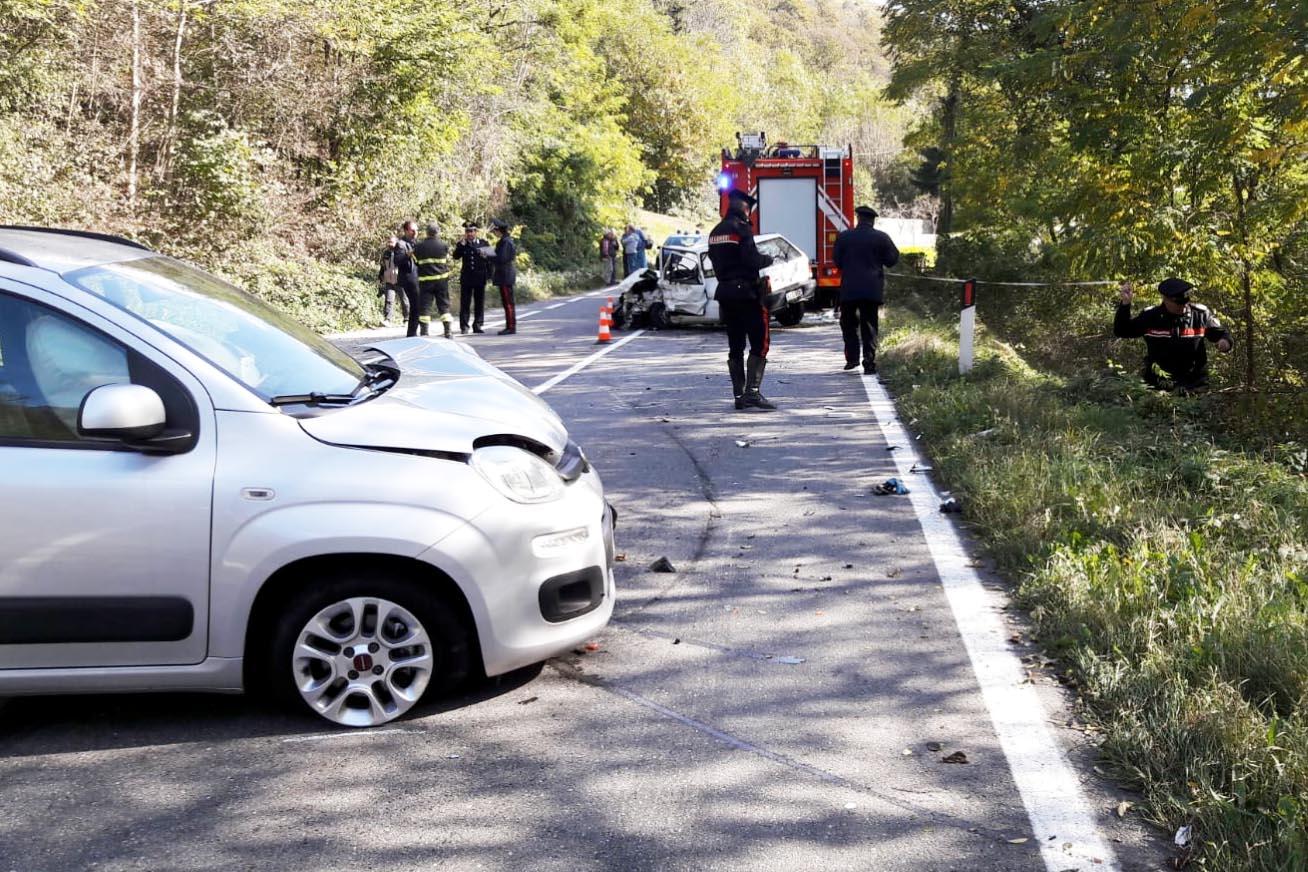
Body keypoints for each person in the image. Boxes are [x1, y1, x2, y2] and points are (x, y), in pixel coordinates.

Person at [707, 188, 775, 411]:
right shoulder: (742, 230)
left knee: (735, 344)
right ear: (745, 209)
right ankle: (752, 393)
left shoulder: (715, 232)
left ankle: (739, 395)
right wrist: (768, 259)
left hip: (725, 293)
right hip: (747, 294)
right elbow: (751, 259)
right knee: (759, 342)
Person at [1114, 277, 1233, 390]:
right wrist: (1125, 304)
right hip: (1158, 389)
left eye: (1184, 302)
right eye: (1178, 304)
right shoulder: (1150, 316)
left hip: (1195, 388)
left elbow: (1222, 335)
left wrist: (1224, 343)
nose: (1182, 307)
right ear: (1165, 299)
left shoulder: (1200, 315)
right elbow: (1122, 331)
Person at [832, 204, 900, 374]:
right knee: (869, 325)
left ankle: (852, 359)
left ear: (858, 218)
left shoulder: (845, 237)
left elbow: (837, 261)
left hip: (849, 289)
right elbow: (892, 259)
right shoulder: (882, 238)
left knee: (848, 323)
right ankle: (869, 362)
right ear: (873, 221)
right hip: (872, 289)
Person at [412, 222, 454, 338]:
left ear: (427, 232)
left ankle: (424, 333)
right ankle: (448, 331)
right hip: (441, 282)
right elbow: (447, 261)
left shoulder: (419, 247)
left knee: (425, 307)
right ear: (438, 232)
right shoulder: (444, 246)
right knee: (444, 306)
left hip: (425, 282)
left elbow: (416, 262)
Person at [453, 221, 490, 334]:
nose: (469, 234)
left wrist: (489, 275)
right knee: (465, 303)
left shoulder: (483, 243)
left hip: (479, 277)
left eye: (471, 231)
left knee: (479, 302)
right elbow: (455, 256)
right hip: (467, 277)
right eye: (467, 231)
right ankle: (464, 326)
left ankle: (478, 325)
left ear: (476, 232)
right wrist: (461, 246)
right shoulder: (462, 244)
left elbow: (491, 259)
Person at [489, 218, 518, 335]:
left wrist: (489, 255)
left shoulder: (505, 242)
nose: (494, 234)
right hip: (504, 275)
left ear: (499, 230)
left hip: (505, 275)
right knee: (507, 302)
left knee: (508, 303)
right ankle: (510, 325)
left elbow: (501, 259)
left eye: (495, 231)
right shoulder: (505, 241)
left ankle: (511, 326)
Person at [394, 220, 420, 336]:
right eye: (412, 230)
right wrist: (407, 254)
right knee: (416, 305)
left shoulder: (416, 243)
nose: (415, 232)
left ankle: (414, 332)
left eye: (416, 230)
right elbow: (397, 261)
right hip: (408, 279)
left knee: (418, 306)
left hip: (418, 278)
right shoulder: (401, 244)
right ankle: (411, 334)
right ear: (406, 231)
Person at [377, 234, 409, 326]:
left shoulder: (401, 253)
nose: (389, 244)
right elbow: (383, 267)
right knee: (388, 300)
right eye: (388, 242)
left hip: (400, 281)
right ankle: (387, 320)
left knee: (404, 300)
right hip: (389, 281)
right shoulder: (386, 253)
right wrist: (380, 277)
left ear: (396, 243)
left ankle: (406, 319)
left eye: (391, 242)